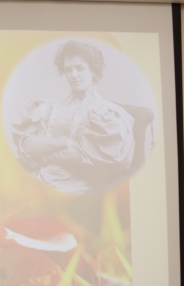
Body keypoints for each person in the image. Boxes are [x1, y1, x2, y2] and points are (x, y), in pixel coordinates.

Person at [12, 40, 136, 194]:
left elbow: (99, 163)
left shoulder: (106, 113)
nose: (74, 75)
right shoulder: (50, 108)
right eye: (68, 70)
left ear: (94, 71)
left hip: (74, 189)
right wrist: (64, 142)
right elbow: (28, 147)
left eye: (80, 68)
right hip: (40, 180)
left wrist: (46, 154)